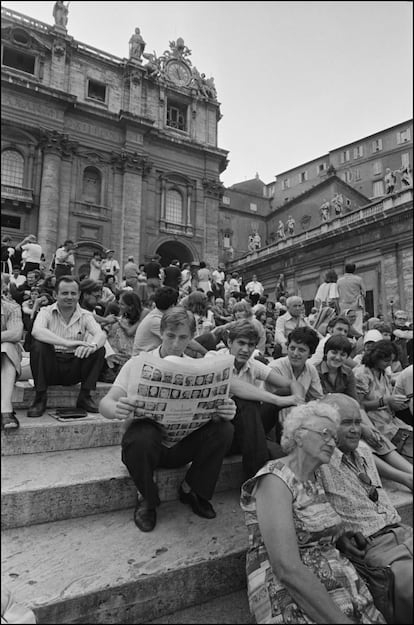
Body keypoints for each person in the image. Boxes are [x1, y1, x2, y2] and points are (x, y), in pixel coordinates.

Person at [240, 400, 385, 625]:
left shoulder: (312, 478)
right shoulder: (275, 479)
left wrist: (339, 536)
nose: (331, 442)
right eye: (325, 434)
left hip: (337, 584)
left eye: (334, 438)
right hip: (292, 594)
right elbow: (287, 569)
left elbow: (310, 525)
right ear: (298, 435)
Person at [99, 307, 236, 532]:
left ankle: (193, 490)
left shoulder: (197, 368)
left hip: (183, 443)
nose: (175, 343)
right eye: (170, 336)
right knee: (142, 435)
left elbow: (220, 404)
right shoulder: (137, 364)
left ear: (191, 338)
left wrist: (227, 409)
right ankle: (147, 499)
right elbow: (106, 403)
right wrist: (117, 408)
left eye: (182, 338)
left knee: (224, 429)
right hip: (147, 447)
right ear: (161, 333)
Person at [318, 393, 413, 625]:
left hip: (401, 530)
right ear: (325, 426)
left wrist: (406, 478)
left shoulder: (364, 451)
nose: (354, 429)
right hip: (371, 545)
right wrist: (337, 532)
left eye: (358, 422)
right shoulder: (319, 461)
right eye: (346, 422)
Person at [209, 320, 301, 480]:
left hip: (248, 426)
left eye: (251, 345)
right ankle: (256, 477)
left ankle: (286, 445)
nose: (245, 350)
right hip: (221, 430)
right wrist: (278, 401)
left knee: (284, 392)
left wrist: (298, 402)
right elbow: (234, 386)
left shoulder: (252, 364)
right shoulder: (214, 358)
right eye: (241, 343)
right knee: (246, 402)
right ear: (230, 342)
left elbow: (291, 383)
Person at [27, 276, 106, 417]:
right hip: (51, 366)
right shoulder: (46, 312)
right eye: (64, 293)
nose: (69, 297)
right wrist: (66, 343)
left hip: (74, 365)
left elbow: (100, 334)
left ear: (79, 295)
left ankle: (85, 396)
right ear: (55, 295)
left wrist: (92, 346)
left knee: (99, 348)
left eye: (73, 293)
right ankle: (40, 397)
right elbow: (36, 331)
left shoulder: (86, 315)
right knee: (38, 345)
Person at [354, 339, 412, 461]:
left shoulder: (382, 373)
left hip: (390, 421)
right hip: (374, 424)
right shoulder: (362, 374)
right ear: (376, 357)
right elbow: (358, 405)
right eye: (386, 360)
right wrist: (385, 401)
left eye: (391, 360)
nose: (389, 364)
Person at [1, 274, 24, 431]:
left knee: (8, 346)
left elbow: (16, 333)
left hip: (6, 359)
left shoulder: (12, 307)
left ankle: (5, 409)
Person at [337, 263, 366, 334]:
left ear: (345, 270)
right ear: (354, 270)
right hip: (356, 306)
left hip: (343, 307)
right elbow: (364, 293)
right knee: (358, 327)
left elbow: (338, 294)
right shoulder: (358, 279)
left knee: (344, 325)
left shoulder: (339, 281)